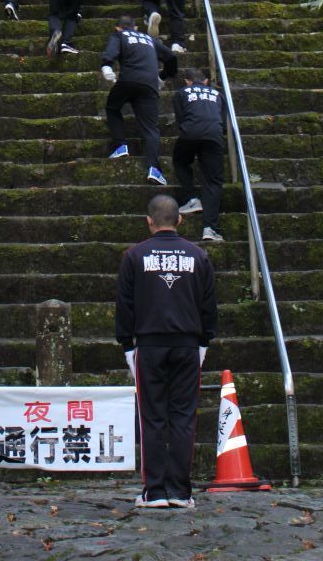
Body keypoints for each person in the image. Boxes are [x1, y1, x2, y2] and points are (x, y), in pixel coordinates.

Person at [115, 193, 217, 509]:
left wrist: (127, 345)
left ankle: (155, 490)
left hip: (149, 344)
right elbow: (208, 305)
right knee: (184, 416)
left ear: (149, 220)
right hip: (188, 344)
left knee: (152, 416)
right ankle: (180, 490)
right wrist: (204, 342)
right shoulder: (198, 256)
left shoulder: (134, 256)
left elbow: (125, 306)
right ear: (180, 219)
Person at [100, 16, 178, 184]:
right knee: (151, 128)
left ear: (118, 28)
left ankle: (121, 145)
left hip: (128, 79)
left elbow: (112, 52)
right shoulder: (149, 38)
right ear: (135, 28)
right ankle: (154, 169)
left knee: (113, 108)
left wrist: (107, 65)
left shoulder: (119, 36)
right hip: (149, 85)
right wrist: (162, 77)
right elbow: (171, 57)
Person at [173, 70, 228, 242]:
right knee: (213, 181)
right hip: (214, 134)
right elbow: (224, 124)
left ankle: (191, 198)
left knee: (180, 161)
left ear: (187, 81)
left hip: (189, 132)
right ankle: (210, 228)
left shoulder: (181, 93)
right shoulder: (218, 94)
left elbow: (181, 119)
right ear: (205, 81)